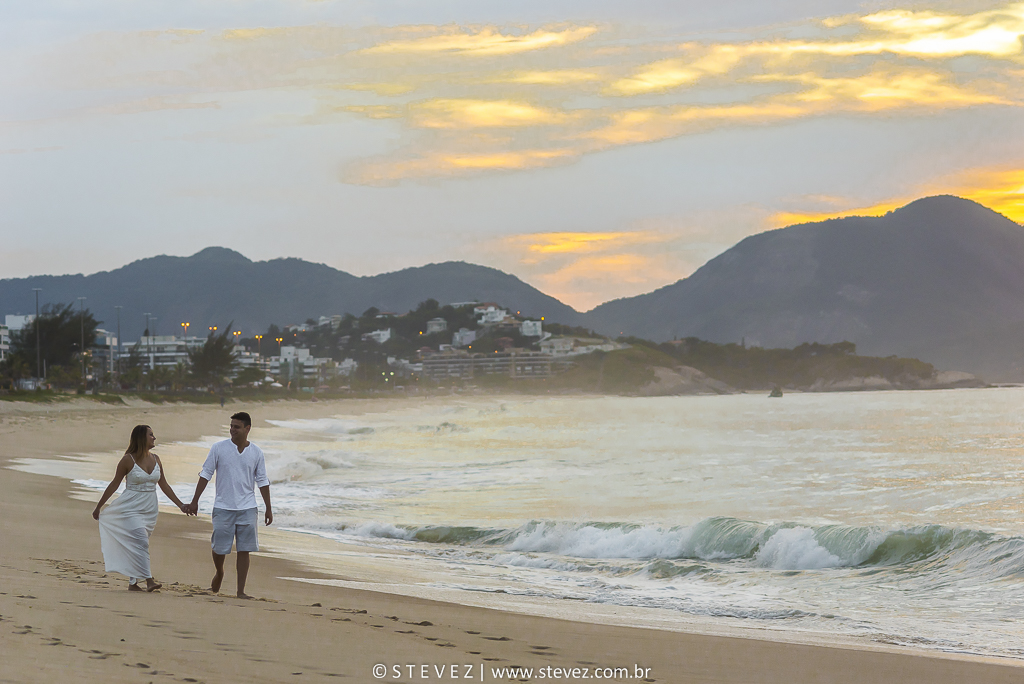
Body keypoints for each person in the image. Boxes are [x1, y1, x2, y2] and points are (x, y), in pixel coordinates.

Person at [93, 424, 190, 591]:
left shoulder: (157, 459)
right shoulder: (127, 460)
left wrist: (180, 505)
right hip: (130, 506)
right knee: (141, 541)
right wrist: (99, 506)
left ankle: (133, 583)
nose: (154, 438)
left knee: (138, 543)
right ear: (141, 438)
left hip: (150, 507)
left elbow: (164, 485)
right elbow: (114, 484)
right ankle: (149, 580)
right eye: (151, 435)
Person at [185, 411, 272, 599]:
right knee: (219, 548)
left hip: (248, 507)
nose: (232, 430)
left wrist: (268, 508)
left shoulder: (256, 452)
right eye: (231, 426)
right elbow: (206, 474)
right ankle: (220, 571)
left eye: (237, 427)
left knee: (244, 549)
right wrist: (194, 501)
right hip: (223, 506)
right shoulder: (219, 448)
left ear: (247, 429)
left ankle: (241, 591)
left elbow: (262, 480)